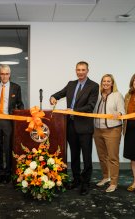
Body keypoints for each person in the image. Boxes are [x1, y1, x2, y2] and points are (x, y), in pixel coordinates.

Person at [50, 61, 99, 195]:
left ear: (87, 71)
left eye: (83, 70)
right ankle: (76, 179)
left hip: (85, 127)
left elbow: (90, 106)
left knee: (87, 157)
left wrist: (73, 110)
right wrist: (53, 97)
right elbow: (59, 94)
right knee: (75, 156)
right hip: (70, 127)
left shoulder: (94, 86)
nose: (80, 72)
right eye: (78, 70)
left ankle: (85, 183)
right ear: (75, 71)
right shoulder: (71, 84)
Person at [0, 64, 24, 184]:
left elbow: (20, 104)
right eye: (2, 73)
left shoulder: (16, 87)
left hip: (8, 122)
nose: (4, 76)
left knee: (8, 147)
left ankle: (8, 172)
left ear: (10, 74)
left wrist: (20, 118)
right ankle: (0, 172)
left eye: (7, 74)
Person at [93, 74, 125, 193]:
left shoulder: (117, 95)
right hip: (97, 129)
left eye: (108, 81)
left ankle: (114, 183)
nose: (105, 83)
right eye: (104, 81)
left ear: (112, 83)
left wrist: (119, 113)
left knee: (112, 157)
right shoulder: (97, 96)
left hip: (113, 129)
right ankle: (106, 177)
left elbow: (122, 111)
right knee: (102, 156)